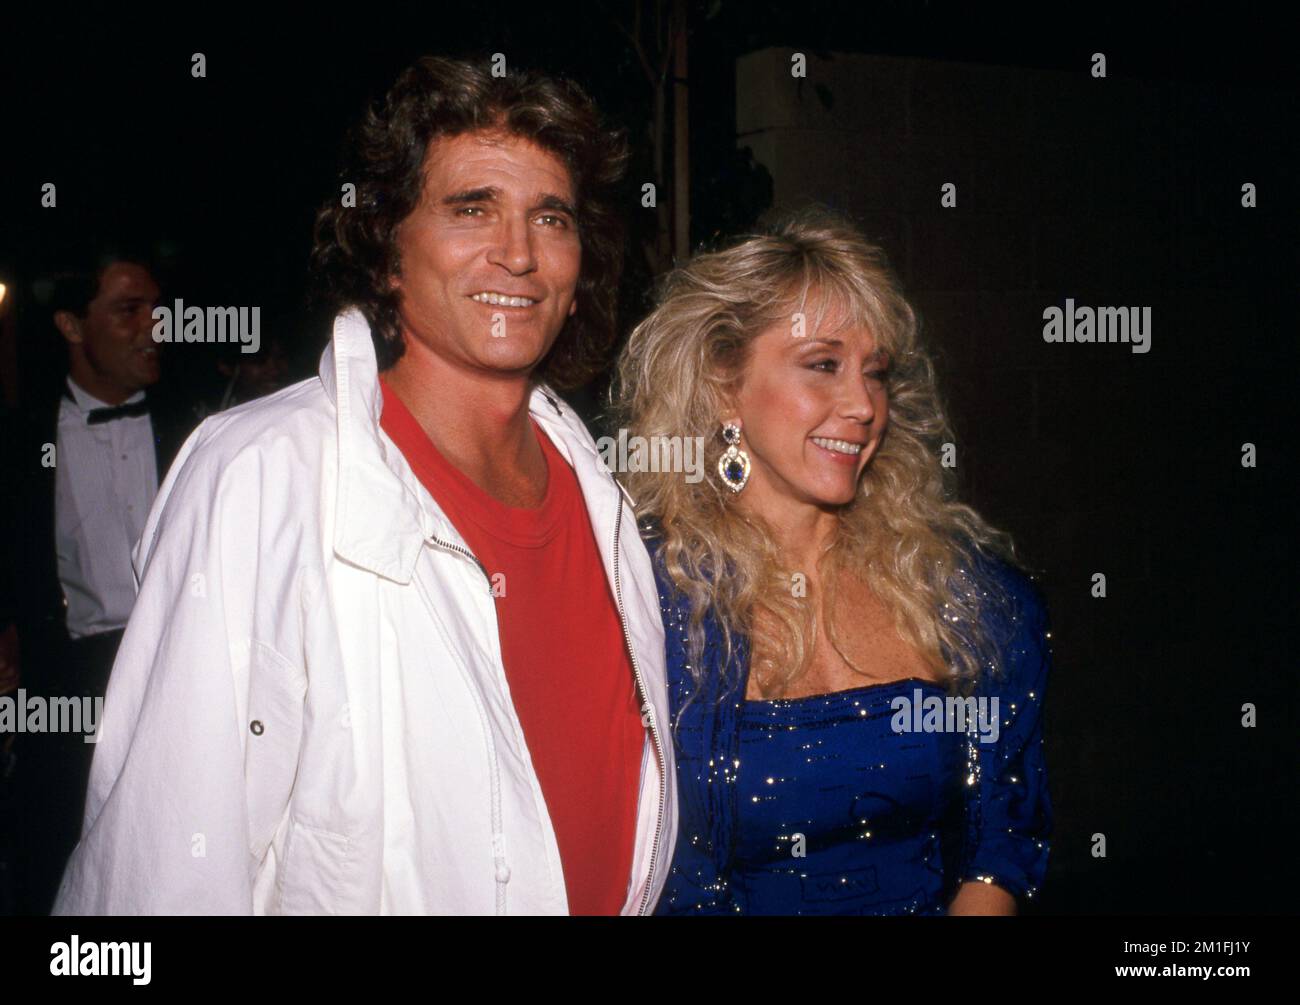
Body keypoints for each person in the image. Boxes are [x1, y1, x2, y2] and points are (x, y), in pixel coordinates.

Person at [51, 56, 675, 916]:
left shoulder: (600, 489)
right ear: (386, 252)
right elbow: (155, 874)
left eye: (551, 217)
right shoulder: (262, 476)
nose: (520, 253)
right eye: (472, 208)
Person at [614, 209, 1053, 915]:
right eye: (823, 365)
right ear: (725, 384)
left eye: (875, 373)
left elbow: (998, 838)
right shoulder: (644, 599)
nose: (862, 405)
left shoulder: (956, 591)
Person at [0, 249, 193, 914]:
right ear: (72, 326)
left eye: (157, 309)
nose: (154, 327)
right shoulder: (23, 443)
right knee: (61, 864)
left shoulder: (196, 429)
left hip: (181, 671)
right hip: (70, 684)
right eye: (129, 310)